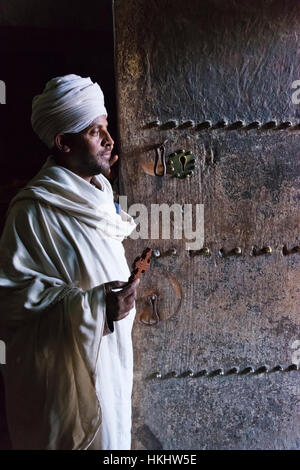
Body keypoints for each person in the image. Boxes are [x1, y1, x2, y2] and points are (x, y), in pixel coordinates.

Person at [0, 74, 140, 450]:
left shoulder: (99, 198)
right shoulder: (33, 212)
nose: (110, 141)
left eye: (106, 128)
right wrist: (96, 307)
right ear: (63, 143)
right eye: (96, 132)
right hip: (67, 372)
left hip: (108, 355)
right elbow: (11, 302)